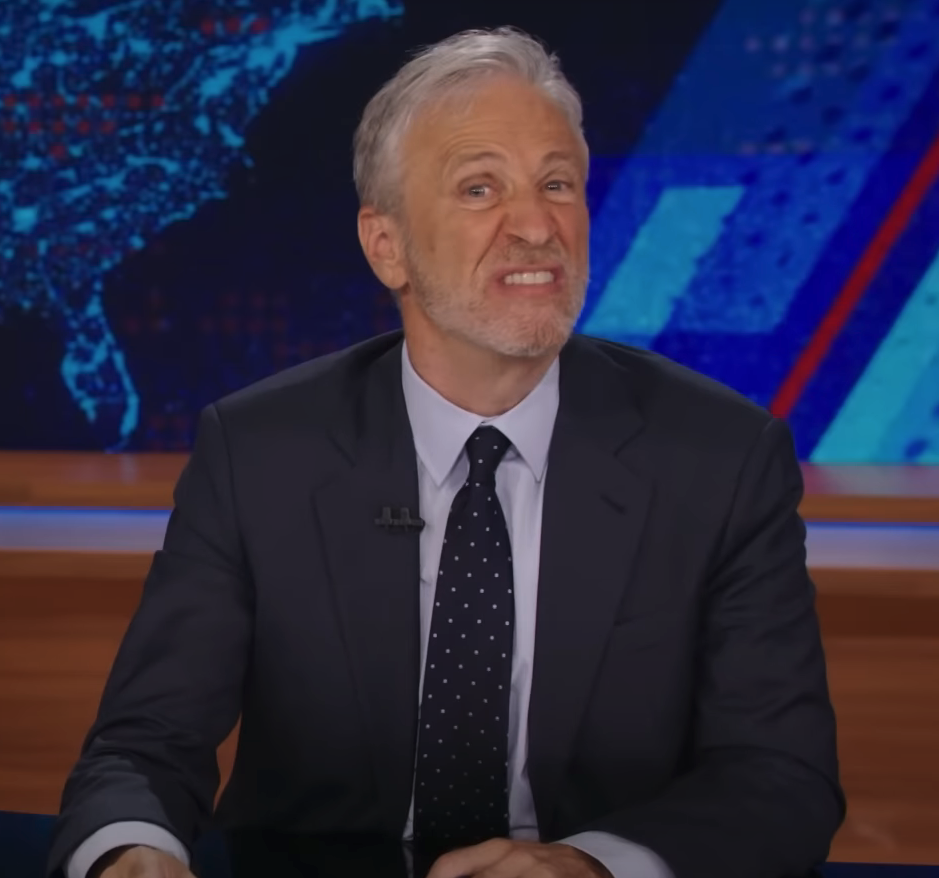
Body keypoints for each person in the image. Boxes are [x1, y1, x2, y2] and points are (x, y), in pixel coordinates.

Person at [48, 27, 845, 878]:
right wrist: (134, 850)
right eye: (479, 188)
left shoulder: (722, 458)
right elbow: (143, 744)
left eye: (556, 184)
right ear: (385, 245)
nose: (535, 225)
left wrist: (589, 866)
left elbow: (778, 776)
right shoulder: (257, 454)